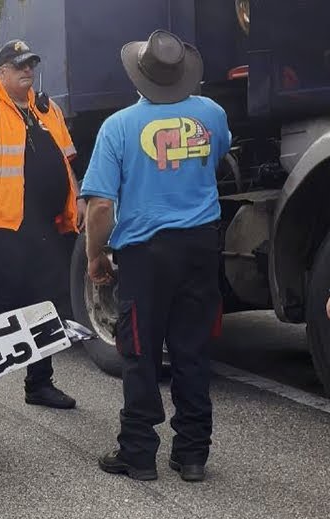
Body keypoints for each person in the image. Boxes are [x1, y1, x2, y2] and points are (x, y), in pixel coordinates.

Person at [81, 30, 231, 483]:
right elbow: (216, 159)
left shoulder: (119, 126)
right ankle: (192, 455)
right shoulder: (212, 114)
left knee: (140, 351)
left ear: (140, 76)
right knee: (192, 348)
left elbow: (101, 206)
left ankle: (139, 453)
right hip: (201, 246)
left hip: (146, 253)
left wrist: (95, 257)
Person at [0, 39, 84, 410]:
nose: (28, 71)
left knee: (45, 305)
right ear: (2, 72)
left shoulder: (46, 109)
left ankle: (39, 384)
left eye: (31, 65)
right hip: (4, 225)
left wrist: (79, 204)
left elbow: (66, 162)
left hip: (47, 224)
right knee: (4, 300)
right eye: (19, 65)